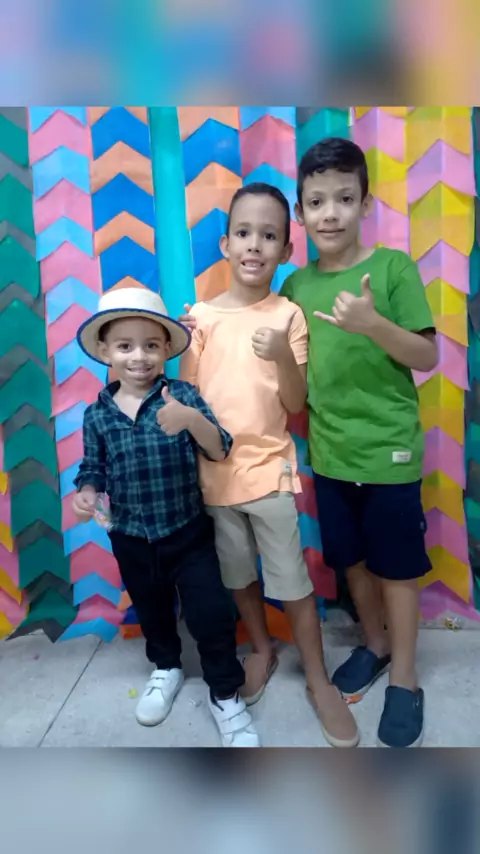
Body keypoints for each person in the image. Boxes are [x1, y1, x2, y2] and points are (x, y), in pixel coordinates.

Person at [180, 182, 360, 748]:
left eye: (268, 235)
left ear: (286, 249)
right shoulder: (200, 317)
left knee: (293, 584)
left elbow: (295, 402)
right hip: (215, 480)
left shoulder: (288, 315)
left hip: (270, 476)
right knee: (239, 578)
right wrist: (181, 342)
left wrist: (282, 353)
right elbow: (186, 400)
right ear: (225, 244)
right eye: (243, 233)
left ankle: (318, 678)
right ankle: (261, 648)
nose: (254, 245)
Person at [280, 138, 438, 748]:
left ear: (365, 203)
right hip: (330, 452)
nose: (331, 213)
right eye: (317, 202)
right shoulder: (295, 285)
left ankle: (405, 676)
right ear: (300, 213)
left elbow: (426, 356)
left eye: (345, 199)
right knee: (351, 560)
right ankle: (374, 645)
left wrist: (373, 323)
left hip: (389, 451)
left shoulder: (393, 269)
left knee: (398, 566)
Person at [71, 287, 260, 748]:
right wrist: (88, 491)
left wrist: (191, 420)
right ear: (105, 352)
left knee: (211, 612)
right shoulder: (97, 414)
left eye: (151, 345)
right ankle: (166, 667)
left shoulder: (182, 395)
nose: (139, 356)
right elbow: (93, 466)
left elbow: (220, 448)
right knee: (152, 609)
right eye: (125, 346)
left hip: (187, 531)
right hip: (130, 535)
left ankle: (224, 692)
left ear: (166, 350)